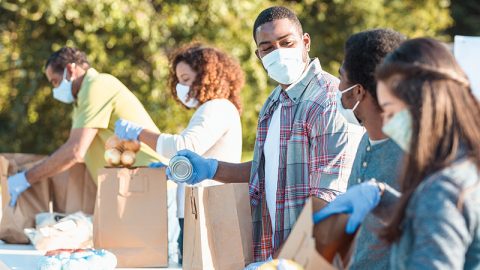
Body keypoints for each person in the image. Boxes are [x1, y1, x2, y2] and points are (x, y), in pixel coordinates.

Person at [167, 6, 362, 261]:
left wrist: (280, 262)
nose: (278, 53)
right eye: (268, 48)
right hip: (275, 250)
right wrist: (212, 169)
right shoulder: (273, 104)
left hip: (314, 258)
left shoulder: (328, 100)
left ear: (305, 42)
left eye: (286, 42)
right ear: (258, 55)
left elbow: (328, 201)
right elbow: (266, 171)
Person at [314, 38, 480, 269]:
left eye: (390, 111)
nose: (388, 124)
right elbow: (428, 220)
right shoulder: (461, 165)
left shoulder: (443, 188)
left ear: (422, 103)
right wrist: (382, 197)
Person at [5, 47, 163, 238]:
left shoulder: (97, 85)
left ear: (70, 70)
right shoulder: (81, 99)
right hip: (130, 188)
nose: (55, 90)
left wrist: (26, 178)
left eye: (55, 82)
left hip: (148, 183)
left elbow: (74, 151)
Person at [114, 43, 244, 263]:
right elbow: (197, 156)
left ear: (206, 75)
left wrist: (139, 132)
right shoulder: (211, 109)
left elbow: (184, 145)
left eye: (185, 79)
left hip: (208, 210)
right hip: (197, 209)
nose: (181, 87)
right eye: (179, 81)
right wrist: (171, 170)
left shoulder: (217, 108)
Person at [338, 29, 405, 269]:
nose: (337, 87)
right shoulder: (366, 140)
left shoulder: (414, 156)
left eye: (341, 77)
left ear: (358, 91)